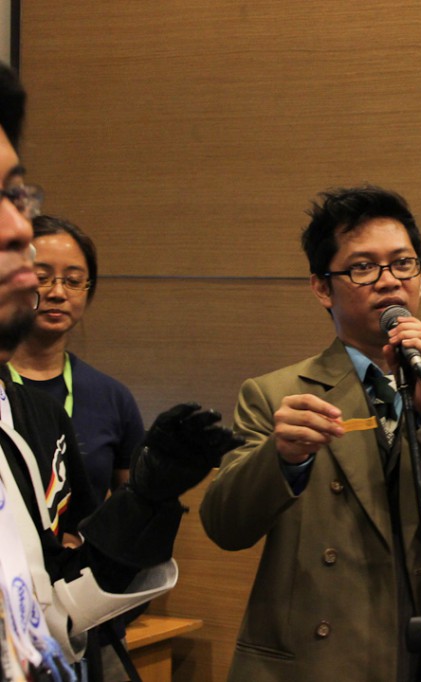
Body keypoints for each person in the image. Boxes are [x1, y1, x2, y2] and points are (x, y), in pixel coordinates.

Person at [199, 185, 421, 682]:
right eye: (363, 267)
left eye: (403, 263)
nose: (389, 280)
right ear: (322, 288)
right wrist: (282, 459)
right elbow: (225, 527)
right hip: (312, 666)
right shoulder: (278, 396)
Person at [0, 63, 239, 680]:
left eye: (16, 195)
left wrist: (147, 502)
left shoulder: (24, 416)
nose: (18, 228)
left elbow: (59, 605)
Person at [6, 214, 147, 681]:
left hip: (83, 618)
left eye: (73, 280)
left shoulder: (112, 397)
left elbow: (131, 515)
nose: (57, 292)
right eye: (42, 276)